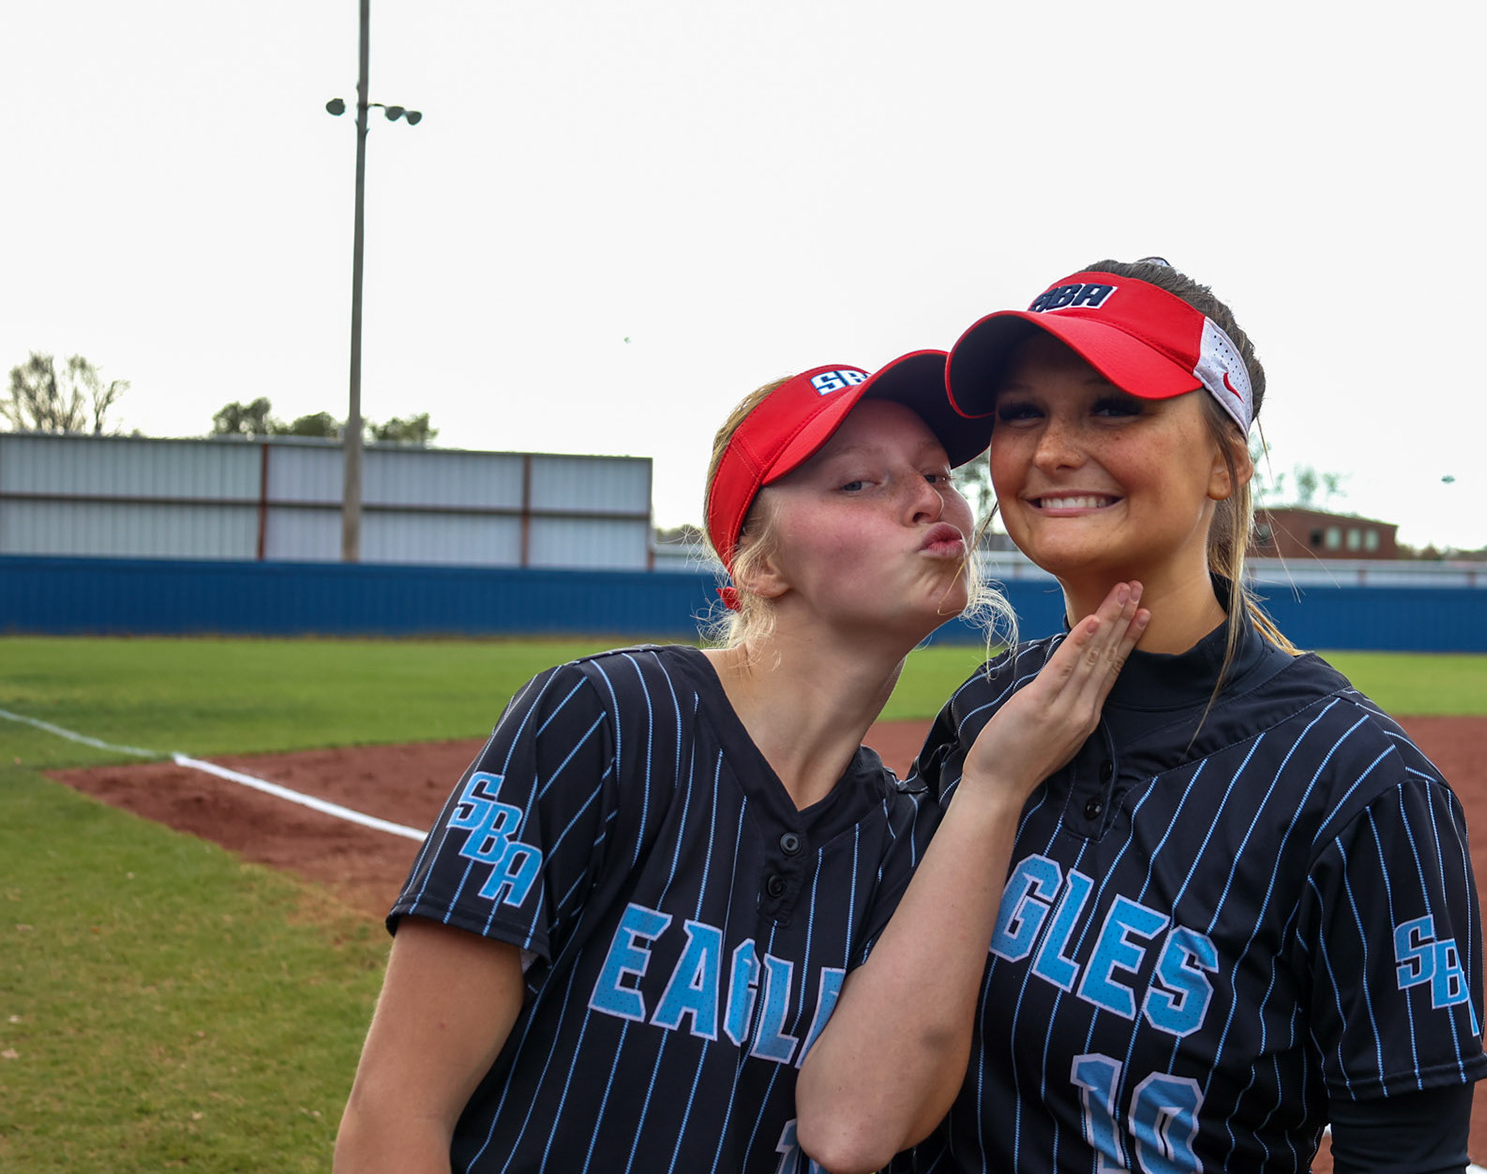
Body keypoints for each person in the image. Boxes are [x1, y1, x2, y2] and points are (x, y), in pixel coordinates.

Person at [333, 350, 1148, 1174]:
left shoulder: (908, 838)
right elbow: (394, 1116)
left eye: (936, 474)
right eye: (859, 482)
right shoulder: (607, 721)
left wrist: (994, 789)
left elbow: (863, 1131)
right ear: (759, 565)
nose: (928, 500)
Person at [797, 261, 1487, 1174]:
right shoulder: (986, 714)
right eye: (1021, 413)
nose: (1050, 451)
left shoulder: (1362, 789)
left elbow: (1406, 1158)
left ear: (1224, 465)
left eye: (1114, 406)